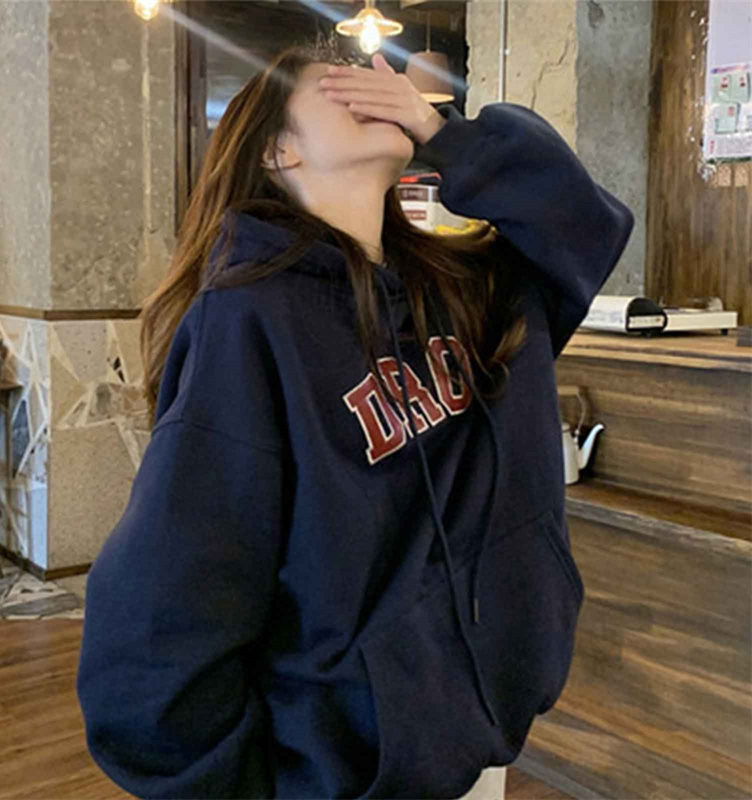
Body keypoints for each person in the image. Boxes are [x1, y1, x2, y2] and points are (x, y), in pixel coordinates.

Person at [77, 41, 634, 800]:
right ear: (277, 150)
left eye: (376, 79)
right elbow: (160, 613)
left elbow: (585, 221)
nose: (377, 89)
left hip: (477, 728)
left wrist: (448, 136)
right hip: (348, 767)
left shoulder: (464, 286)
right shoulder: (246, 316)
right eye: (335, 86)